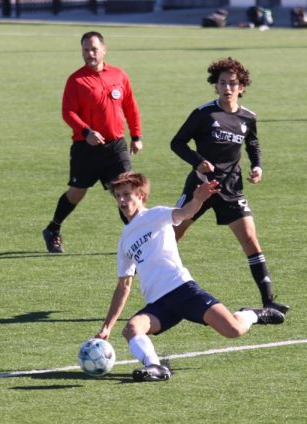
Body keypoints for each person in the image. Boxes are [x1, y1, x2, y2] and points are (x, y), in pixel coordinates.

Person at [95, 172, 285, 382]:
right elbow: (124, 286)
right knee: (131, 329)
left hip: (182, 289)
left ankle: (252, 314)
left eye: (126, 194)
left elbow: (184, 213)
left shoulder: (155, 215)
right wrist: (107, 327)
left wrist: (198, 199)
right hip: (159, 303)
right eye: (118, 196)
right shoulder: (124, 240)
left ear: (140, 195)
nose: (121, 200)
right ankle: (155, 367)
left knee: (234, 330)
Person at [170, 57, 289, 315]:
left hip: (231, 189)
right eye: (222, 83)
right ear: (216, 86)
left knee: (251, 241)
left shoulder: (248, 118)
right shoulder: (204, 114)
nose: (227, 88)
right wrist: (198, 161)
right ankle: (158, 288)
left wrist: (257, 166)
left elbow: (252, 144)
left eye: (232, 83)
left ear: (242, 86)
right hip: (200, 188)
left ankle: (269, 302)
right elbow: (177, 143)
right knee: (170, 237)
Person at [42, 31, 143, 254]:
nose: (90, 54)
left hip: (116, 147)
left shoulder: (119, 75)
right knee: (77, 193)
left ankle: (136, 240)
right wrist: (86, 131)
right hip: (85, 149)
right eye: (86, 50)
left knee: (124, 190)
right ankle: (53, 229)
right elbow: (67, 112)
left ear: (104, 49)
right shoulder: (76, 80)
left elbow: (130, 106)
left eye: (94, 49)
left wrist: (136, 136)